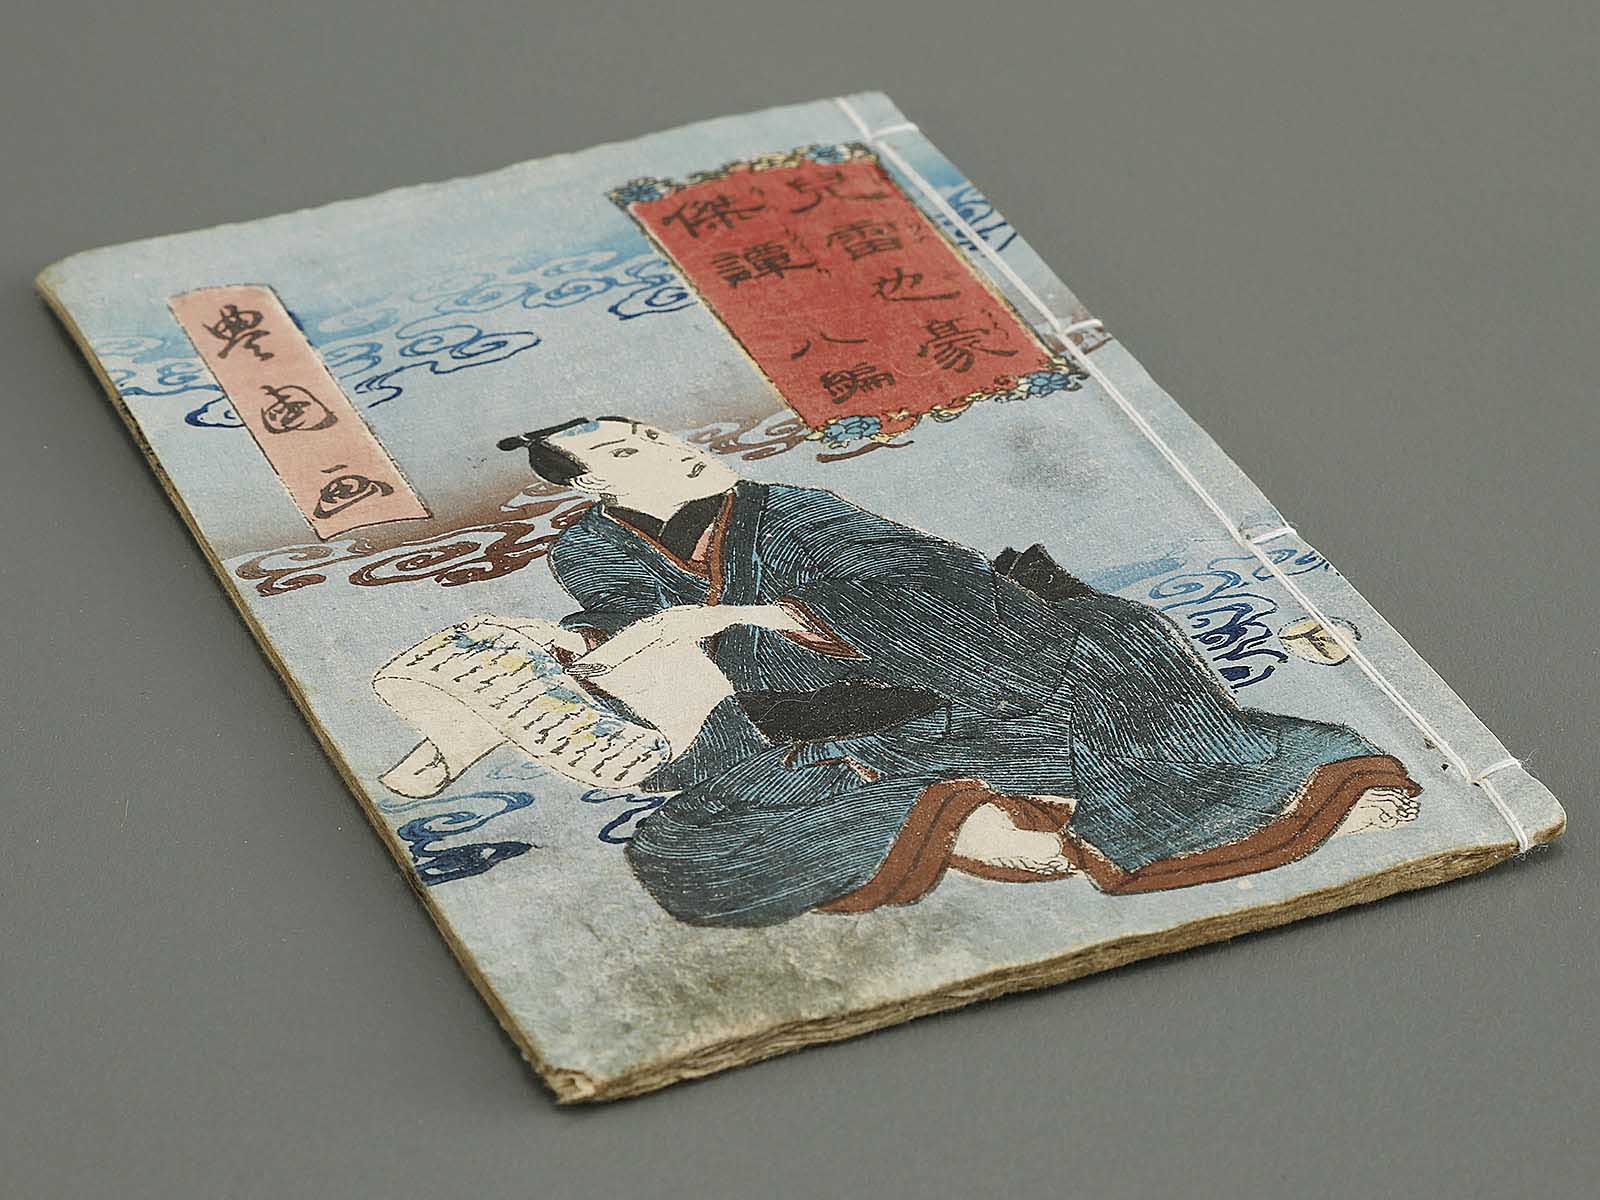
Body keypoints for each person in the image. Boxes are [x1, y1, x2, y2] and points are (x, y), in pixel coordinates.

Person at [496, 417, 1422, 927]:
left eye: (652, 434)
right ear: (588, 488)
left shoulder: (791, 508)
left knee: (1114, 665)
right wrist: (592, 648)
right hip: (791, 711)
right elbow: (629, 624)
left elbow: (935, 580)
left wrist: (752, 613)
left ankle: (1245, 806)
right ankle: (984, 816)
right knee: (698, 845)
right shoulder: (590, 546)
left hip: (954, 670)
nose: (668, 448)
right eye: (627, 453)